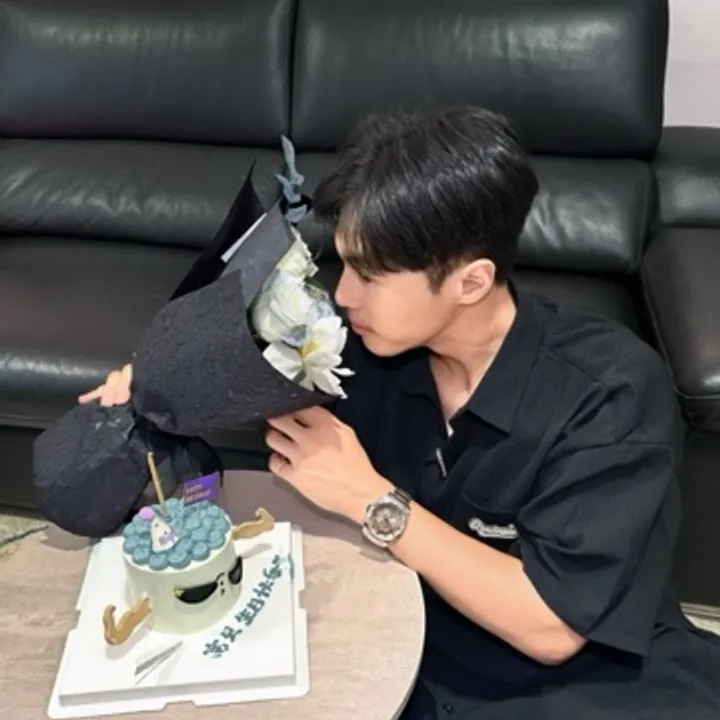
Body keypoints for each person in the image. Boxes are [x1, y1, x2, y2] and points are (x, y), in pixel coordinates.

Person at [80, 106, 720, 719]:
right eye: (343, 263)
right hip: (405, 659)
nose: (343, 294)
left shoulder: (609, 393)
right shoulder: (354, 350)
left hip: (590, 686)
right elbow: (214, 408)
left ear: (471, 282)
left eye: (371, 274)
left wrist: (371, 501)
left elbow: (554, 626)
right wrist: (152, 396)